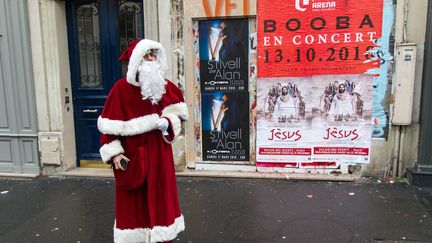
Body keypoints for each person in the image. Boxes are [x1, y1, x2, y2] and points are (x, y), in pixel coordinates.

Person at [98, 39, 188, 243]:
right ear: (136, 61)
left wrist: (169, 123)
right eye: (148, 55)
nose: (152, 59)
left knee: (162, 207)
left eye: (155, 55)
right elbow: (107, 132)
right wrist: (116, 153)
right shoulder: (120, 90)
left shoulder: (167, 88)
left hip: (160, 162)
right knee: (134, 211)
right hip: (134, 159)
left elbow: (179, 118)